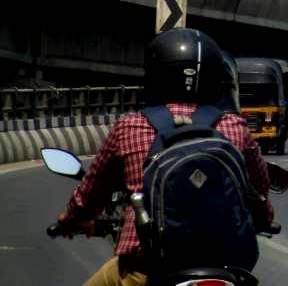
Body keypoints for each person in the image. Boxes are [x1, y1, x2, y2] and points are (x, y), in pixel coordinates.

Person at [55, 28, 274, 286]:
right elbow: (260, 191)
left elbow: (92, 193)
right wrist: (265, 218)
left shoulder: (131, 127)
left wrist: (72, 219)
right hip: (225, 267)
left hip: (147, 269)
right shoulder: (235, 127)